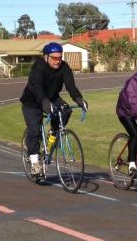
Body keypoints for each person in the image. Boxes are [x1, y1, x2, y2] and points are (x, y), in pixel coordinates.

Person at [20, 42, 88, 177]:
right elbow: (37, 87)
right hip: (32, 101)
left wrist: (79, 99)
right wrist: (44, 102)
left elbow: (71, 86)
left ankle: (54, 131)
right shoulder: (38, 67)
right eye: (54, 58)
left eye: (59, 58)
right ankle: (35, 163)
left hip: (52, 97)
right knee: (34, 130)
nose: (57, 61)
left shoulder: (64, 67)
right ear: (46, 57)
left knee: (66, 110)